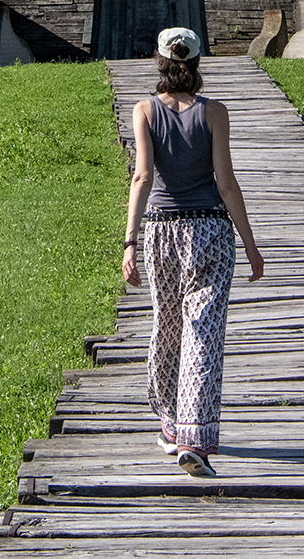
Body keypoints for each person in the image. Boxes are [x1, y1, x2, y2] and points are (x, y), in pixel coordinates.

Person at [123, 26, 265, 477]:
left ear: (159, 61)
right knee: (202, 332)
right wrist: (250, 243)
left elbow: (142, 177)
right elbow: (225, 182)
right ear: (198, 63)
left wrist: (130, 240)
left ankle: (169, 423)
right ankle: (194, 439)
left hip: (161, 232)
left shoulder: (143, 110)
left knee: (166, 324)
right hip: (209, 231)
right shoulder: (215, 112)